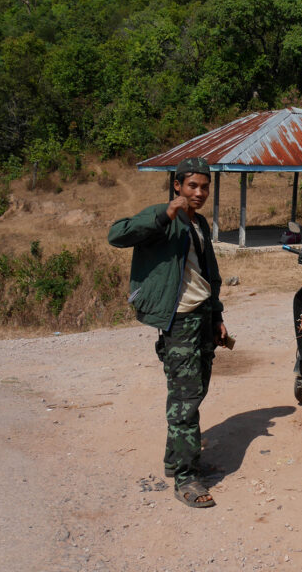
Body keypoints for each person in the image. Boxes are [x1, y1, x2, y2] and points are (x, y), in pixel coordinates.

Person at [107, 157, 229, 508]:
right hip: (179, 320)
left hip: (202, 316)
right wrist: (164, 214)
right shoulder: (164, 218)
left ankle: (177, 459)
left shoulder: (200, 223)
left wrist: (217, 315)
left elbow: (211, 274)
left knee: (196, 390)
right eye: (193, 186)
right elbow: (117, 234)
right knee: (185, 399)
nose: (200, 192)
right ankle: (187, 477)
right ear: (177, 185)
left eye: (205, 186)